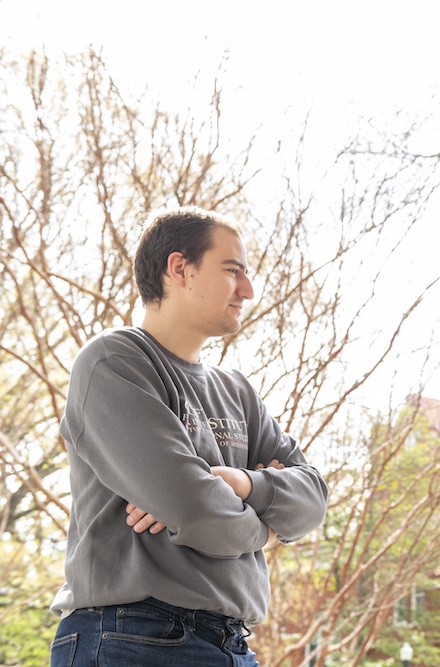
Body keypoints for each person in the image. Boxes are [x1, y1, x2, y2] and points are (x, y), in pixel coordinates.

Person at [49, 207, 329, 666]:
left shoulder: (236, 390)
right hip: (132, 637)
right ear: (179, 268)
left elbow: (313, 498)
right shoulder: (113, 362)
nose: (248, 290)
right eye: (232, 271)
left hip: (232, 644)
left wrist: (242, 486)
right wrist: (267, 524)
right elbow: (196, 508)